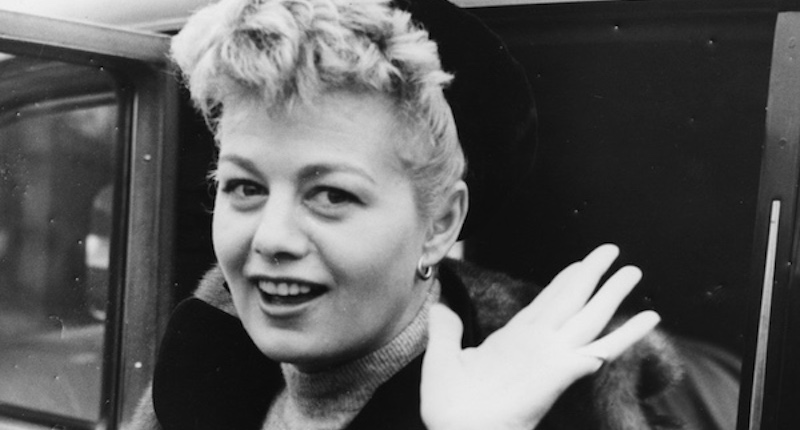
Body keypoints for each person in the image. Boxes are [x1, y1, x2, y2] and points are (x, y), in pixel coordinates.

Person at [129, 0, 680, 429]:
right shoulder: (200, 366)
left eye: (332, 195)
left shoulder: (562, 410)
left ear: (440, 224)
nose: (271, 238)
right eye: (244, 186)